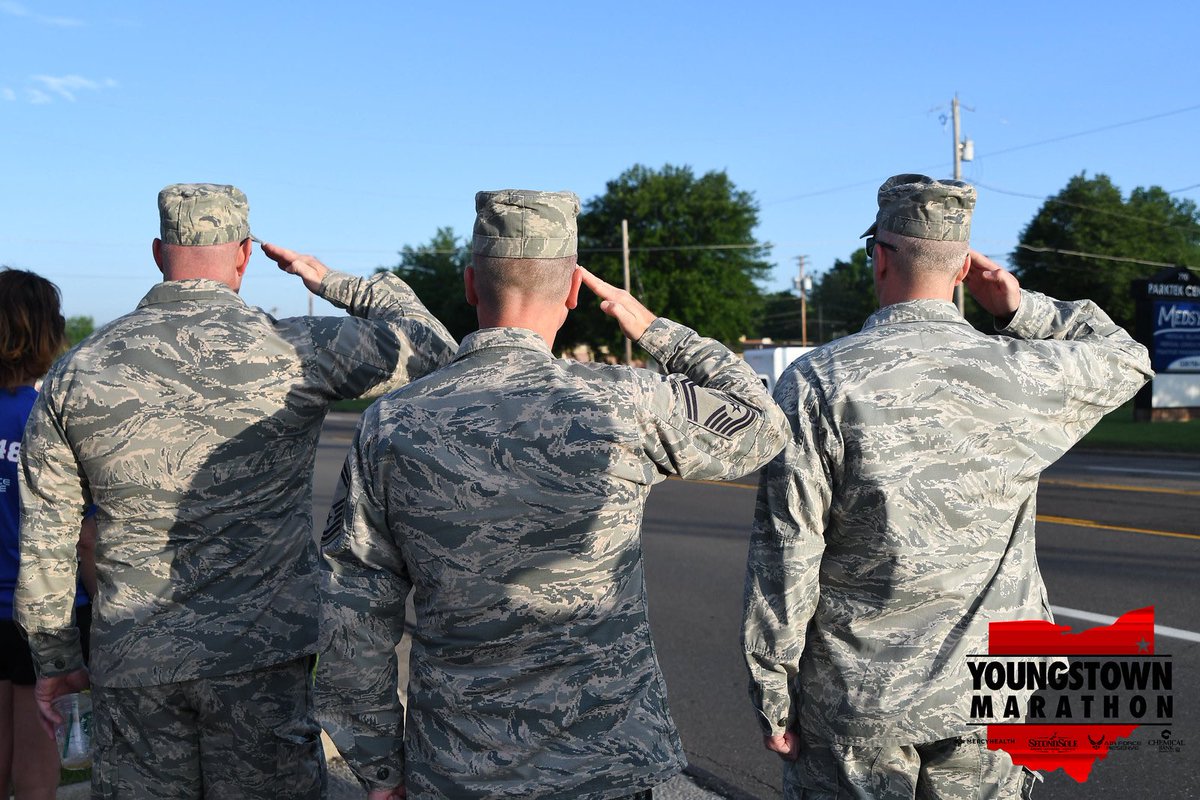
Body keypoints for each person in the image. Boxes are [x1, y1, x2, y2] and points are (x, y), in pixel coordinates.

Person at [315, 189, 789, 799]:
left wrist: (376, 764)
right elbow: (760, 421)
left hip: (459, 765)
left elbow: (352, 606)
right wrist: (655, 330)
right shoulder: (626, 404)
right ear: (571, 293)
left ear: (468, 284)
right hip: (608, 762)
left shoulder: (393, 422)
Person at [15, 183, 458, 799]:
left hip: (135, 657)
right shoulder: (297, 350)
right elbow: (434, 347)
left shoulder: (78, 372)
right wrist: (335, 282)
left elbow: (47, 536)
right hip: (264, 655)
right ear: (245, 254)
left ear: (157, 252)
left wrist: (56, 660)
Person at [741, 174, 1153, 799]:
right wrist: (1020, 308)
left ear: (877, 257)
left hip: (864, 695)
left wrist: (774, 693)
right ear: (963, 269)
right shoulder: (1022, 370)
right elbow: (1129, 357)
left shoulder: (821, 380)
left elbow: (787, 553)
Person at [0, 268, 95, 800]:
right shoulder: (49, 418)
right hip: (44, 609)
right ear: (47, 333)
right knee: (39, 742)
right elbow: (84, 535)